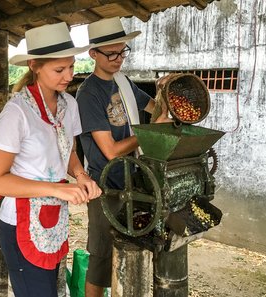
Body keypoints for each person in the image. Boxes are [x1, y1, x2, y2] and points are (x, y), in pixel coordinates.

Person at [0, 22, 102, 297]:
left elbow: (67, 150)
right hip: (20, 221)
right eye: (59, 70)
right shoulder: (17, 112)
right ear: (35, 65)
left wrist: (82, 177)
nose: (69, 76)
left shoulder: (68, 105)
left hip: (52, 216)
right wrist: (57, 188)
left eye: (71, 66)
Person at [75, 17, 172, 297]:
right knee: (101, 257)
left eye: (123, 52)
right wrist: (151, 131)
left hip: (134, 178)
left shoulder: (124, 82)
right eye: (112, 54)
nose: (119, 59)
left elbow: (155, 110)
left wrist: (163, 89)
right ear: (93, 54)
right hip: (106, 186)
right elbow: (111, 151)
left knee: (136, 247)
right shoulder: (88, 94)